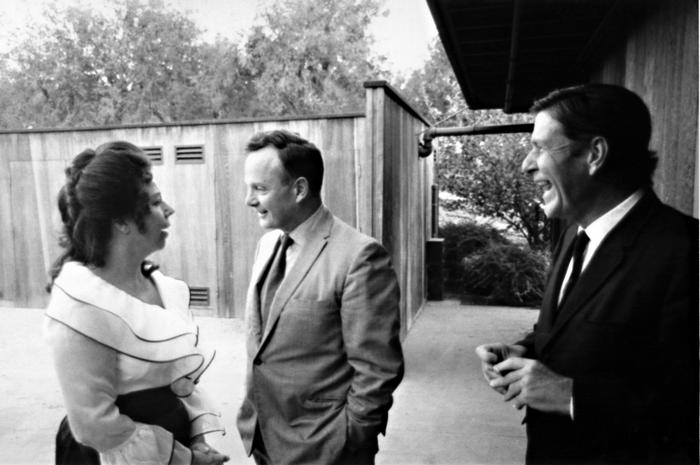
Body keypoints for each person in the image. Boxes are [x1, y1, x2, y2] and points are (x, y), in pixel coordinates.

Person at [476, 83, 698, 464]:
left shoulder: (685, 252)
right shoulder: (572, 236)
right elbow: (582, 323)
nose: (527, 164)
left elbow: (687, 407)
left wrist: (570, 395)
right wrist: (525, 349)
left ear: (594, 154)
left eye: (541, 147)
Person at [45, 141, 229, 465]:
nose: (169, 210)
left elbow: (181, 379)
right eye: (156, 202)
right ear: (122, 221)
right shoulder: (81, 307)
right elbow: (95, 425)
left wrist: (199, 436)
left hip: (176, 441)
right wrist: (185, 459)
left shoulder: (163, 288)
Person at [236, 129, 404, 465]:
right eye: (249, 188)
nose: (249, 200)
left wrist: (352, 438)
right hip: (264, 438)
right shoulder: (268, 245)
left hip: (327, 448)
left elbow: (377, 369)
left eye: (260, 188)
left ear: (299, 189)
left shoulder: (360, 257)